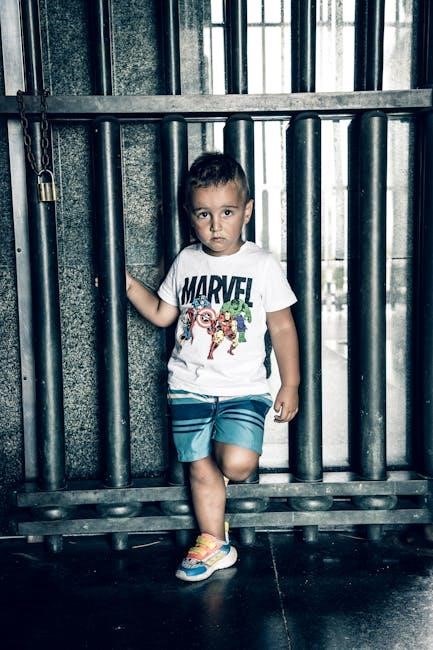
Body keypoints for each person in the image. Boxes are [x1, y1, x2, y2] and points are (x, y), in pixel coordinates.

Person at [126, 152, 300, 582]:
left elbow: (282, 326)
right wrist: (125, 283)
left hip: (244, 388)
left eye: (227, 212)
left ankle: (217, 513)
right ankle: (214, 542)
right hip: (188, 384)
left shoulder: (261, 264)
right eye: (204, 214)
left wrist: (290, 384)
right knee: (199, 465)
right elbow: (163, 314)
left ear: (247, 212)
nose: (216, 225)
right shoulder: (187, 261)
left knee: (237, 464)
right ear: (191, 216)